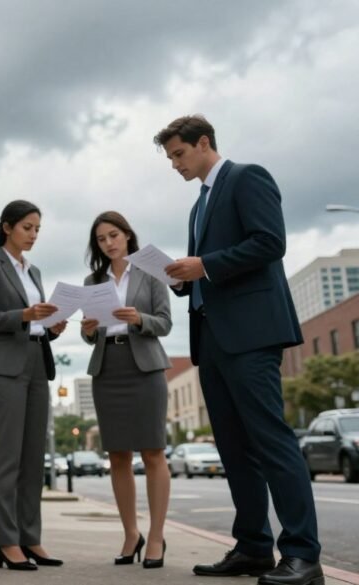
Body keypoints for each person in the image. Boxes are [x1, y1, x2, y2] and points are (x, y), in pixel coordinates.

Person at [157, 115, 322, 585]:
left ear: (203, 142)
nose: (175, 165)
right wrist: (180, 277)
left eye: (179, 154)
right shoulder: (197, 207)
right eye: (170, 158)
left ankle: (303, 557)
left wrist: (203, 265)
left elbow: (271, 243)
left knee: (271, 442)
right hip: (210, 339)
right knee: (233, 449)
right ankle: (253, 548)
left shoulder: (248, 177)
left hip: (252, 334)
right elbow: (206, 273)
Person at [0, 199, 67, 571]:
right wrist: (26, 315)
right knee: (7, 458)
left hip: (37, 363)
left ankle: (31, 537)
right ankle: (6, 542)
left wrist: (50, 327)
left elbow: (32, 323)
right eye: (28, 227)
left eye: (38, 229)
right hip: (4, 367)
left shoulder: (35, 271)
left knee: (32, 459)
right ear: (8, 227)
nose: (33, 235)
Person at [80, 211, 172, 569]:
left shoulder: (150, 272)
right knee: (117, 455)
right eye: (101, 239)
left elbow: (165, 322)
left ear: (128, 235)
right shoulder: (93, 280)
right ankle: (131, 533)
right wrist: (88, 329)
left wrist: (139, 319)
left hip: (145, 367)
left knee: (153, 452)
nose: (109, 243)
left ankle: (158, 536)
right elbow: (90, 335)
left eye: (113, 235)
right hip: (108, 369)